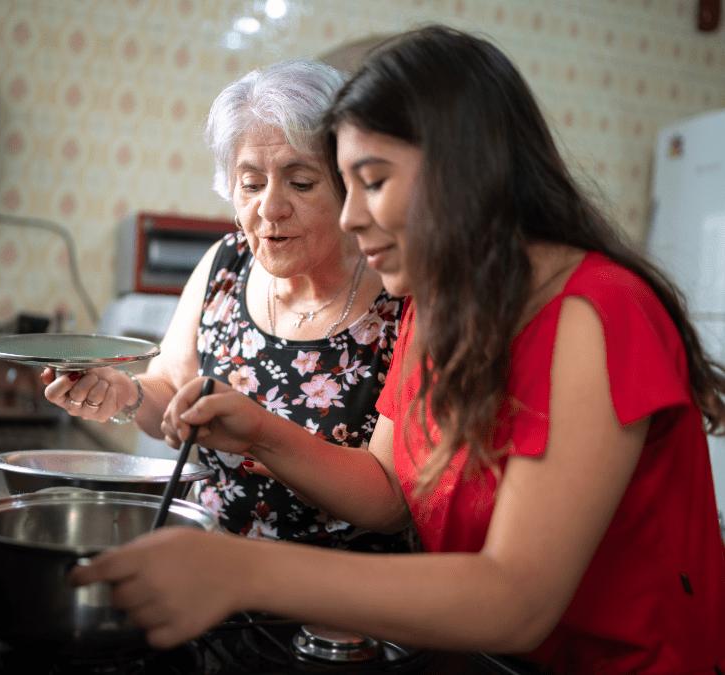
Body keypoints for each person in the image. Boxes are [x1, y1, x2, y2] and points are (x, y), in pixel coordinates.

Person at [68, 26, 725, 673]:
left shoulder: (598, 312)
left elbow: (518, 600)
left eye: (371, 181)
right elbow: (389, 487)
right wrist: (260, 432)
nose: (349, 216)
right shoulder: (445, 308)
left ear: (462, 172)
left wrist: (247, 571)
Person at [43, 60, 409, 551]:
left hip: (335, 604)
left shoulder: (400, 295)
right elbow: (173, 391)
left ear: (347, 183)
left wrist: (261, 433)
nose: (270, 208)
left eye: (300, 183)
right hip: (210, 571)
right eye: (251, 184)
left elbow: (388, 502)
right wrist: (124, 393)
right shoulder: (225, 265)